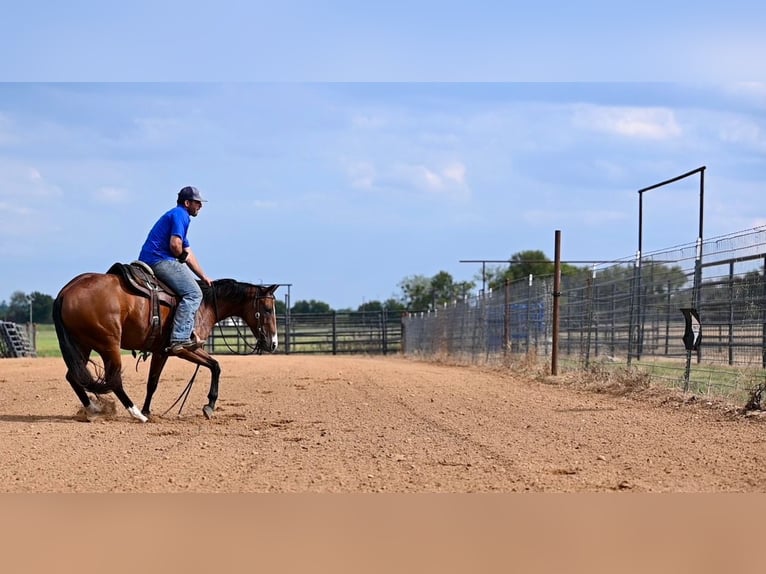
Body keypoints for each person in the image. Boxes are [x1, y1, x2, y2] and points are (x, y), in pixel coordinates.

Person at [138, 186, 214, 354]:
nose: (200, 206)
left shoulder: (176, 215)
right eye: (197, 203)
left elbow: (188, 253)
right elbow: (175, 245)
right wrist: (180, 257)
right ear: (187, 203)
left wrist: (203, 276)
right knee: (194, 294)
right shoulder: (181, 215)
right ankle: (179, 338)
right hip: (160, 260)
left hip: (150, 258)